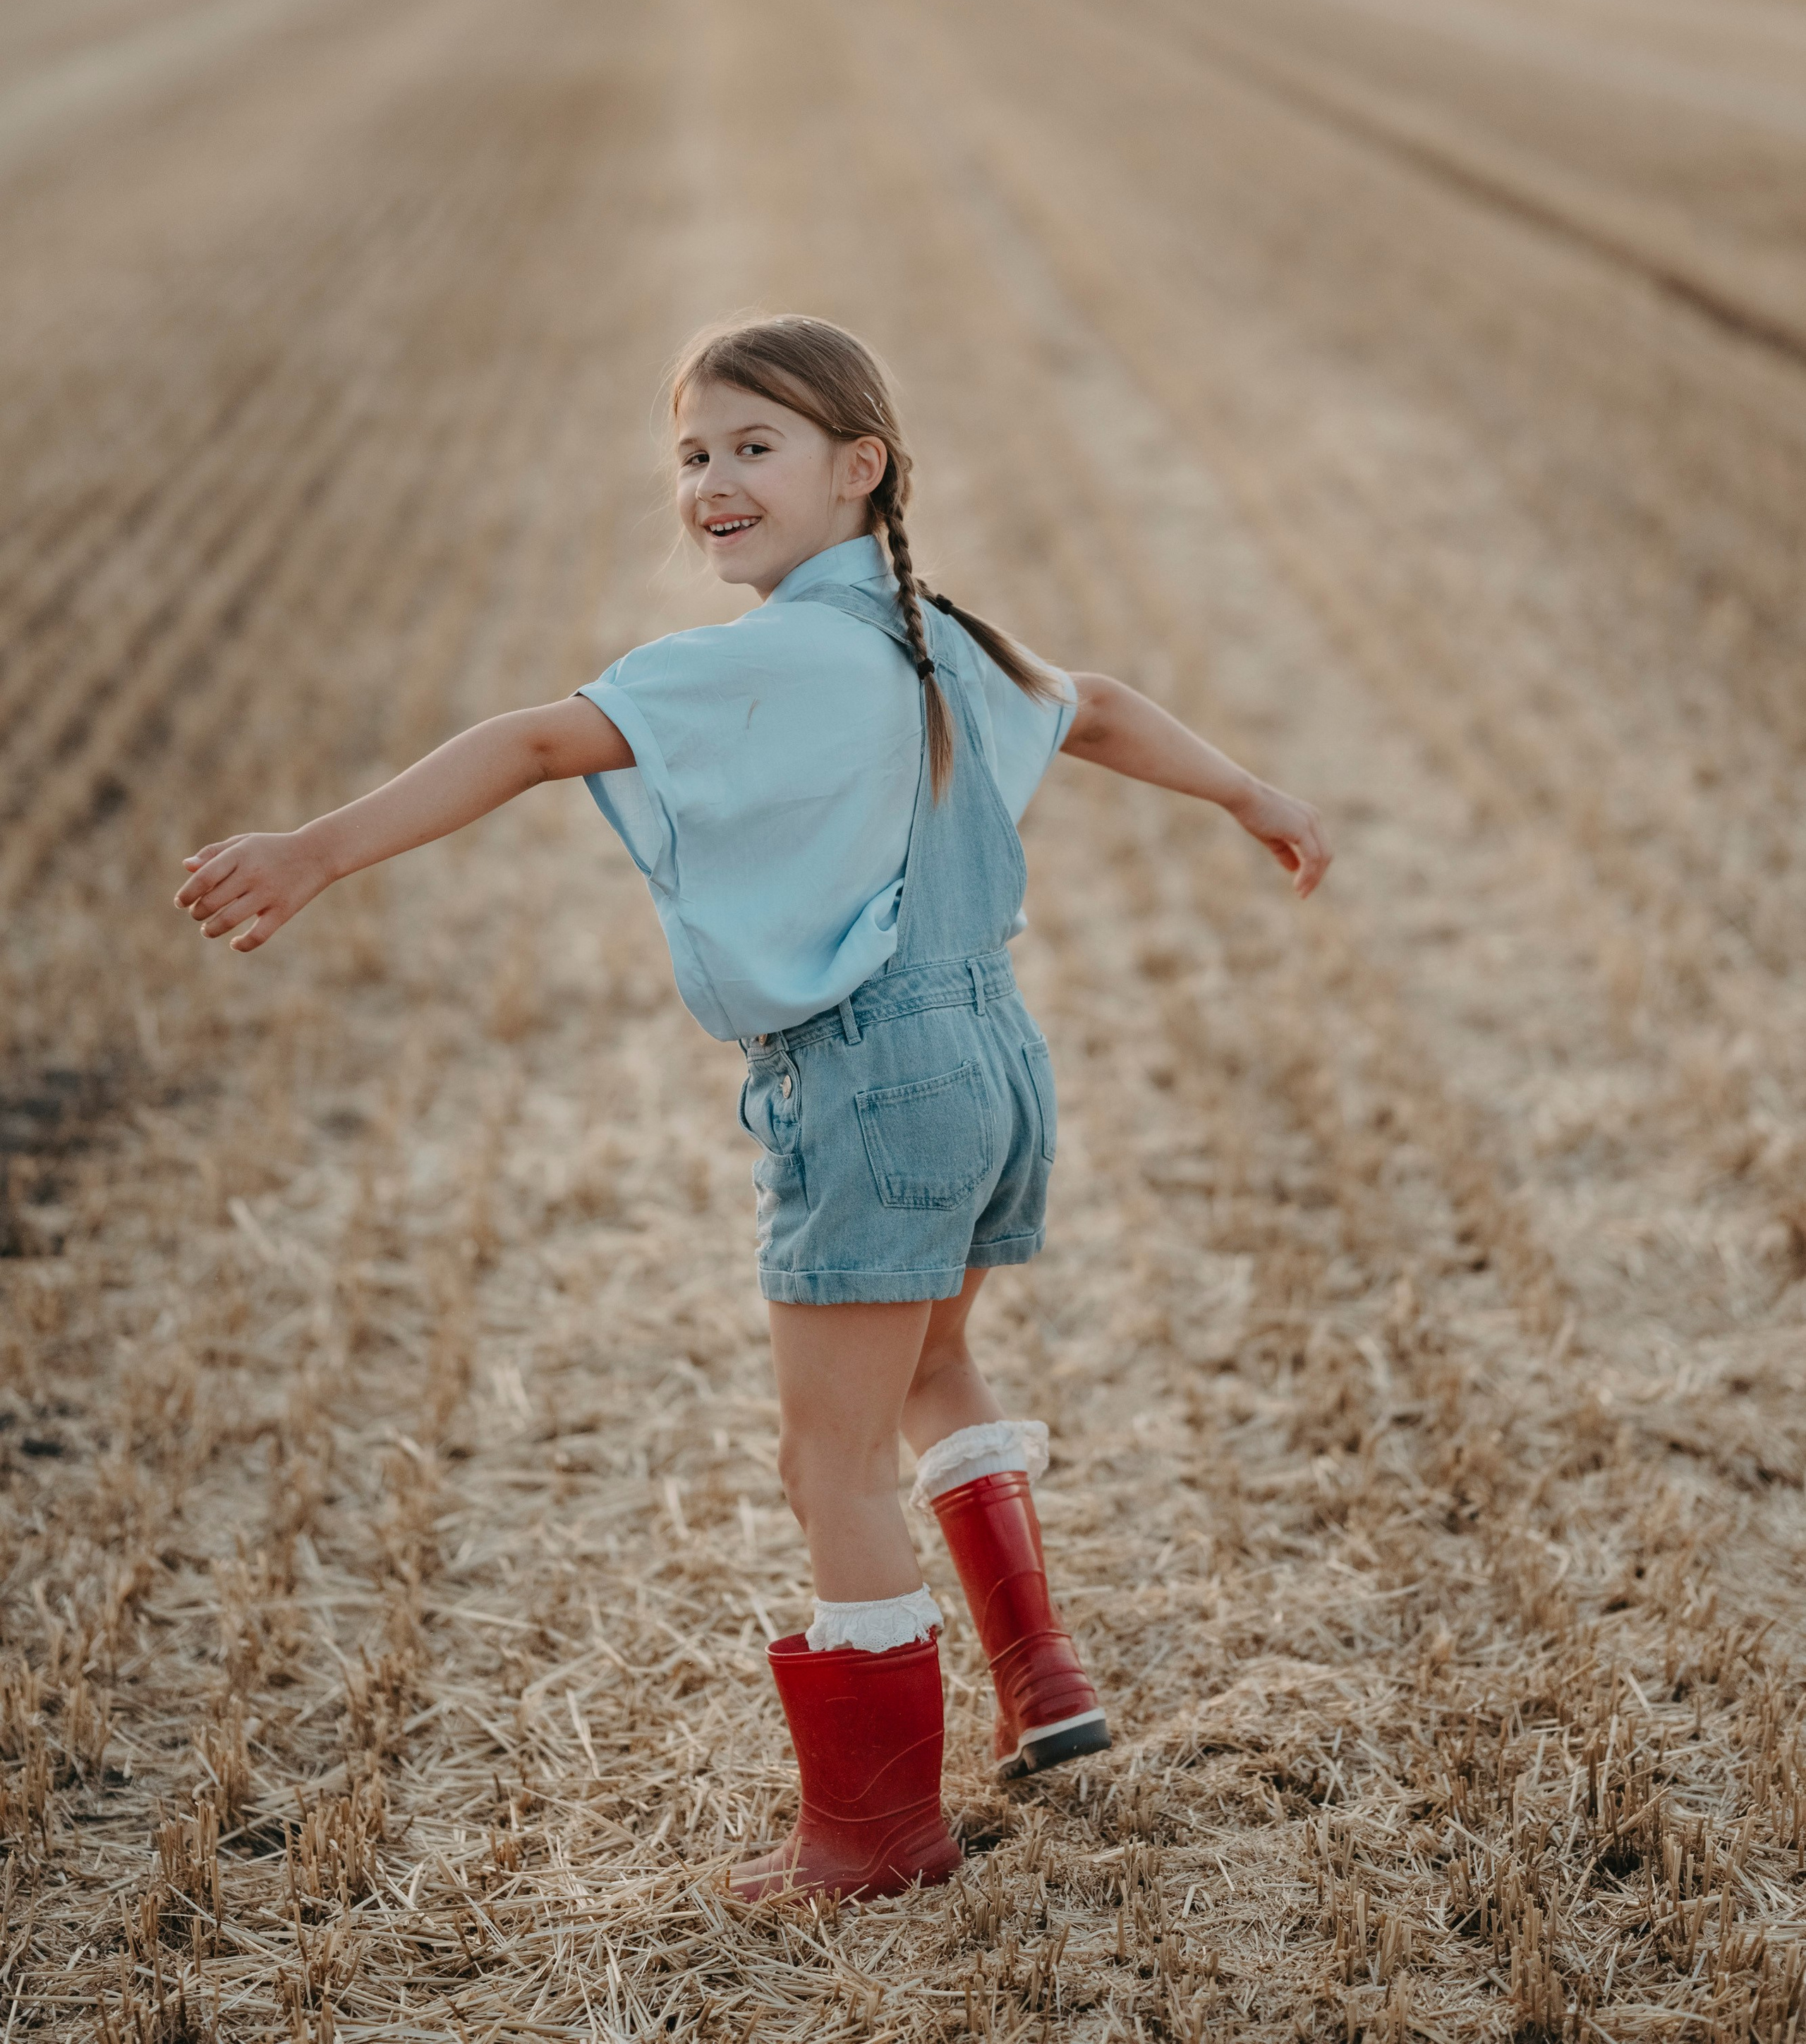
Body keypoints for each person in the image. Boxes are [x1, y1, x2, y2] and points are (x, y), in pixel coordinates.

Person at [175, 315, 1330, 1904]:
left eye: (751, 448)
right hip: (996, 1063)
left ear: (858, 469)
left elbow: (529, 741)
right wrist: (1249, 794)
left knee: (826, 1464)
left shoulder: (772, 654)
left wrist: (315, 849)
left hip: (872, 1083)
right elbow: (1107, 702)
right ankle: (1042, 1681)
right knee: (933, 1359)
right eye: (692, 455)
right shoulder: (950, 637)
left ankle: (874, 1836)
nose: (710, 481)